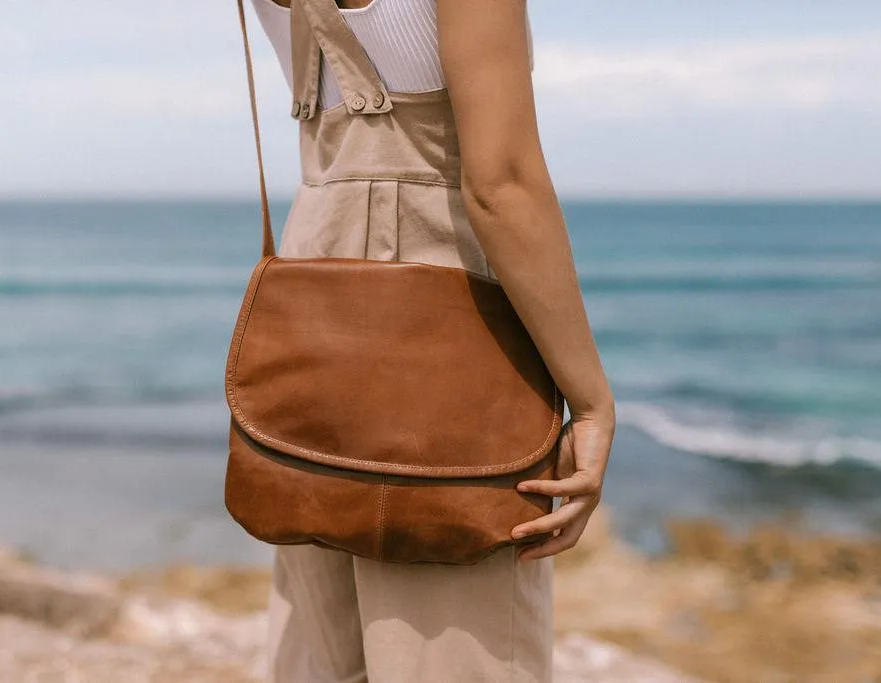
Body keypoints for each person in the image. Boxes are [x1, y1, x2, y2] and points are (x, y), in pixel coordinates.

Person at [247, 0, 615, 680]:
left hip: (314, 285)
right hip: (441, 307)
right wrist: (591, 401)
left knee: (325, 654)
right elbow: (500, 182)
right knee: (455, 653)